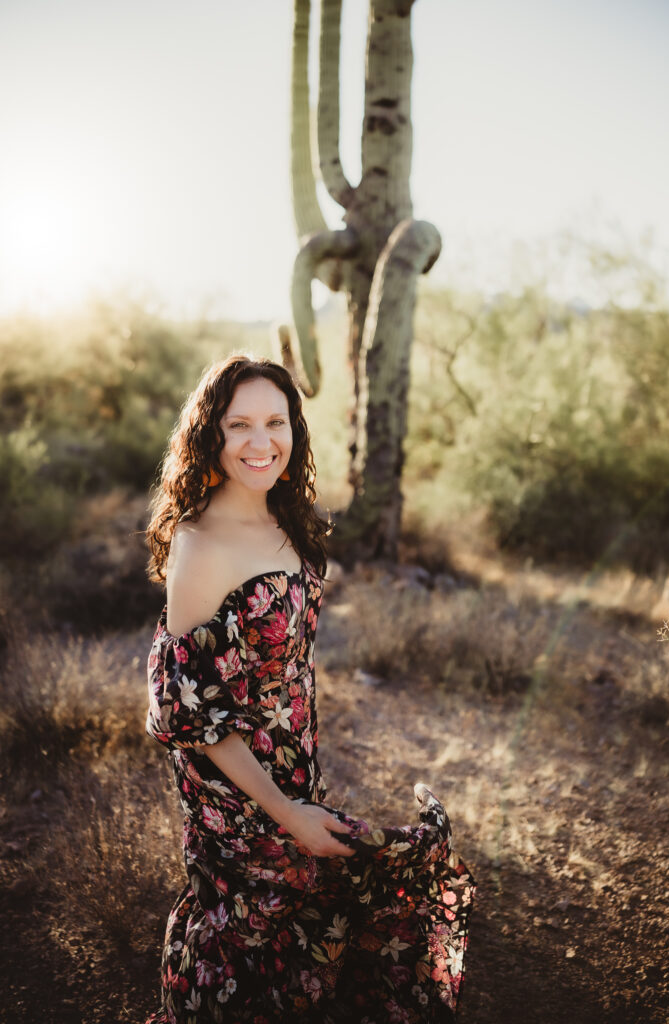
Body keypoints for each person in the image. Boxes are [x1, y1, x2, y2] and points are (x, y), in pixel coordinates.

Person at [144, 353, 475, 1023]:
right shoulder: (201, 543)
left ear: (295, 428)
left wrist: (299, 793)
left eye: (275, 421)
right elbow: (186, 710)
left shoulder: (284, 518)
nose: (260, 442)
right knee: (247, 931)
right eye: (239, 425)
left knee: (303, 921)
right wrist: (283, 811)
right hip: (235, 789)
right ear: (210, 434)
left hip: (295, 762)